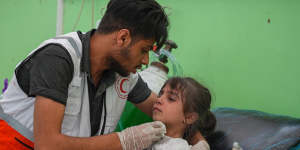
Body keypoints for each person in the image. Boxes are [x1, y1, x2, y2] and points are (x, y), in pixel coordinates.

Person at [0, 0, 169, 149]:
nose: (146, 60)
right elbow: (47, 145)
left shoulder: (123, 74)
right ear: (123, 38)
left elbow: (168, 112)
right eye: (144, 50)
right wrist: (124, 141)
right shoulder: (58, 59)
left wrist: (193, 131)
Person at [147, 77, 216, 150]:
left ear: (189, 117)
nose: (158, 99)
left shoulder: (178, 147)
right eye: (160, 94)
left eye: (171, 98)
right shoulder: (152, 140)